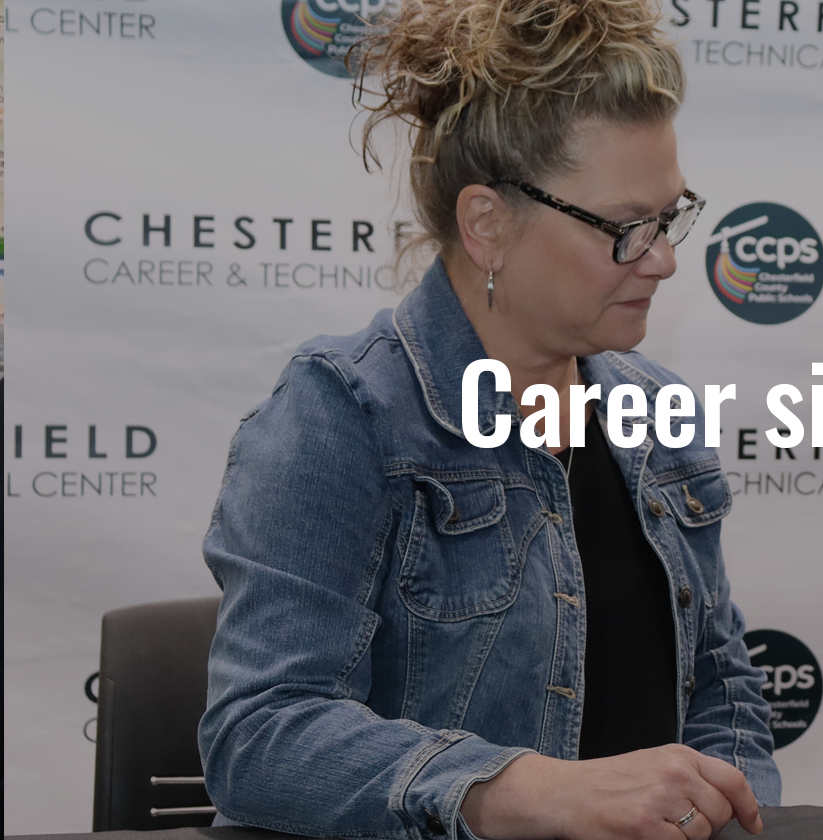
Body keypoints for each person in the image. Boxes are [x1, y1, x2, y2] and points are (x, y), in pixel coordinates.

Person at [197, 3, 778, 839]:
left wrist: (718, 808)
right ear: (488, 224)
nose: (664, 258)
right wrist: (524, 792)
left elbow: (722, 692)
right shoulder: (344, 414)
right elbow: (259, 736)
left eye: (671, 214)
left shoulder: (658, 413)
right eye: (624, 229)